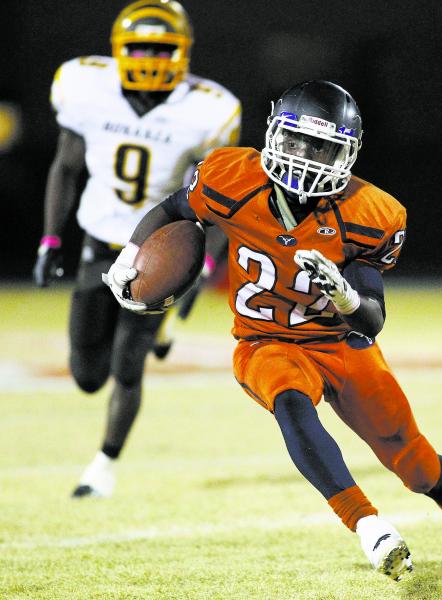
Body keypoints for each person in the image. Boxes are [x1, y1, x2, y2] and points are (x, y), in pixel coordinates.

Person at [103, 80, 442, 580]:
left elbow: (371, 320)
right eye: (296, 141)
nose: (304, 157)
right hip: (264, 341)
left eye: (321, 146)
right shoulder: (231, 177)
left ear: (347, 153)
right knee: (291, 402)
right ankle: (369, 527)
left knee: (415, 462)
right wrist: (131, 255)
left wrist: (345, 296)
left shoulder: (370, 214)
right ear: (274, 133)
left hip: (341, 343)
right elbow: (174, 210)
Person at [32, 0, 241, 498]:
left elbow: (217, 200)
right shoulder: (87, 88)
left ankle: (102, 467)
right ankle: (158, 329)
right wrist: (50, 238)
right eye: (140, 46)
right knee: (86, 374)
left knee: (129, 364)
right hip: (99, 243)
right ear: (119, 50)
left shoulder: (207, 109)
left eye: (163, 47)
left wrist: (202, 264)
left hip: (156, 249)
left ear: (184, 52)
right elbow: (65, 166)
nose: (151, 56)